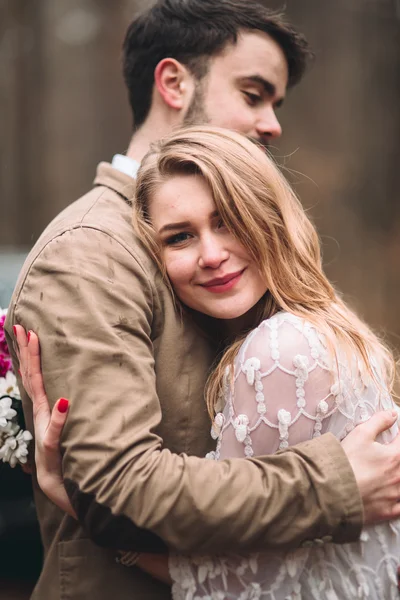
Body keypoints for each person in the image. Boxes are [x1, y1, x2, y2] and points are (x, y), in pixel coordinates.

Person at [5, 1, 400, 599]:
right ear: (173, 82)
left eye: (276, 103)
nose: (272, 124)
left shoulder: (249, 272)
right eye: (252, 93)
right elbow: (119, 487)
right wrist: (334, 486)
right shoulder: (91, 252)